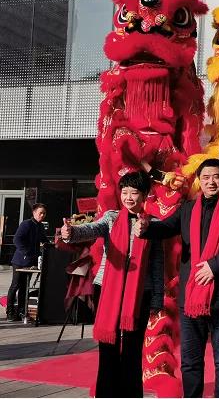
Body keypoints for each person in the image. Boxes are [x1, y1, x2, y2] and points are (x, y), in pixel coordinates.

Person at [135, 158, 219, 398]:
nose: (211, 182)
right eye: (206, 177)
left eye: (217, 177)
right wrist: (146, 228)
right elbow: (166, 227)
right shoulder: (188, 208)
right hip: (191, 297)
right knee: (190, 362)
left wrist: (213, 266)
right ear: (199, 180)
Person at [61, 171, 164, 398]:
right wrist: (71, 233)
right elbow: (90, 230)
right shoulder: (111, 218)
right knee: (108, 347)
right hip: (107, 289)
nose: (128, 197)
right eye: (124, 192)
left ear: (144, 195)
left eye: (134, 193)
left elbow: (157, 264)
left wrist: (158, 298)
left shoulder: (153, 224)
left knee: (132, 348)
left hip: (140, 293)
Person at [6, 203, 50, 322]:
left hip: (31, 262)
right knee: (15, 285)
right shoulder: (26, 224)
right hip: (20, 261)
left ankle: (21, 311)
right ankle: (10, 312)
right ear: (34, 213)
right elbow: (16, 239)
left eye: (44, 213)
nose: (42, 215)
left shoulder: (40, 226)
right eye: (40, 213)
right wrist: (26, 252)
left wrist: (53, 244)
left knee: (25, 287)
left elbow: (44, 240)